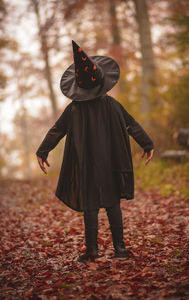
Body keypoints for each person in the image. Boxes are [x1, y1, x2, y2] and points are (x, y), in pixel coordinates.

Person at [36, 40, 154, 262]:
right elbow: (132, 125)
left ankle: (93, 251)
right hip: (111, 163)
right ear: (102, 83)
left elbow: (56, 131)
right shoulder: (112, 105)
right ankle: (119, 249)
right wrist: (147, 144)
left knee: (90, 205)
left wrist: (43, 151)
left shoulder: (74, 109)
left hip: (87, 165)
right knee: (112, 204)